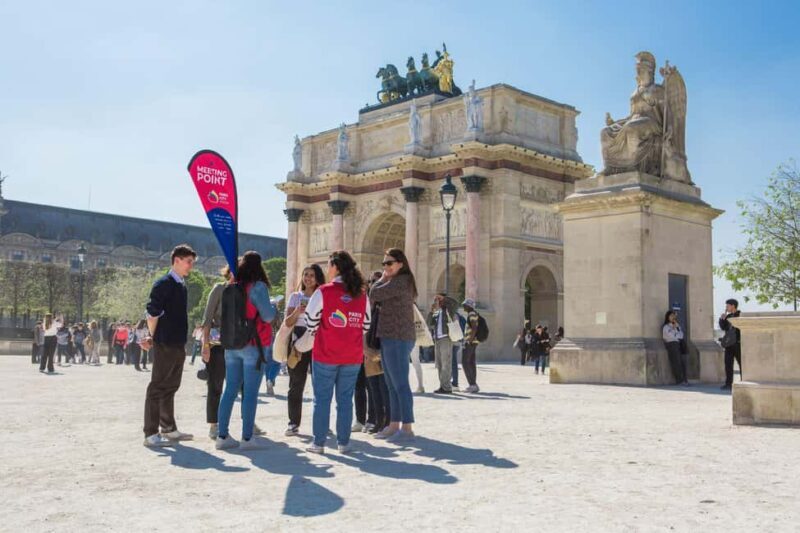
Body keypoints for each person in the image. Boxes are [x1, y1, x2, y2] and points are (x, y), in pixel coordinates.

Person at [303, 250, 371, 454]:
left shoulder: (324, 291)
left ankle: (319, 443)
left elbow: (309, 319)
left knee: (322, 399)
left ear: (336, 267)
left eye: (329, 265)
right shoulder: (361, 293)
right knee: (345, 399)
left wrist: (321, 329)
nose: (327, 269)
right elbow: (366, 324)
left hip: (326, 352)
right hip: (352, 354)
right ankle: (344, 443)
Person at [215, 251, 277, 451]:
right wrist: (274, 307)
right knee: (250, 393)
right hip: (253, 343)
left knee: (230, 390)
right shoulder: (258, 287)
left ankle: (222, 435)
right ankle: (247, 438)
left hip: (232, 344)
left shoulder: (231, 285)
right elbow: (267, 317)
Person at [140, 244, 197, 448]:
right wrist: (150, 336)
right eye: (189, 261)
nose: (191, 266)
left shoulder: (180, 284)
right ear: (177, 260)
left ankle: (168, 428)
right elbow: (152, 312)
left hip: (177, 342)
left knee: (171, 386)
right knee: (157, 386)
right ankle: (150, 433)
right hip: (164, 341)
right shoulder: (163, 283)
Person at [369, 248, 417, 442]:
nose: (385, 267)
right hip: (390, 336)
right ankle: (394, 424)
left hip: (398, 336)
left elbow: (373, 294)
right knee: (391, 384)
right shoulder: (396, 281)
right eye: (384, 264)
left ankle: (406, 427)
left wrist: (381, 279)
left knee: (400, 384)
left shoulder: (402, 281)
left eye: (389, 263)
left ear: (400, 264)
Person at [284, 264, 326, 437]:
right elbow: (287, 322)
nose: (308, 278)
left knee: (322, 384)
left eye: (312, 275)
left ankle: (322, 421)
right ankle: (293, 422)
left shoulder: (324, 296)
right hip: (298, 338)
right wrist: (297, 311)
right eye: (305, 275)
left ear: (317, 279)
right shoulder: (295, 297)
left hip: (318, 337)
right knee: (296, 384)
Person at [427, 293, 459, 394]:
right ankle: (442, 386)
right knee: (440, 364)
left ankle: (447, 387)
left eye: (439, 299)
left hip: (446, 338)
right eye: (437, 300)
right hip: (437, 340)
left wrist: (444, 298)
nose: (437, 301)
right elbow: (429, 324)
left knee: (446, 363)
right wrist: (431, 312)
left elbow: (455, 303)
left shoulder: (448, 310)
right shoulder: (437, 313)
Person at [719, 298, 742, 391]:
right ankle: (728, 383)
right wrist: (722, 319)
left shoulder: (740, 315)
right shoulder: (728, 317)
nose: (726, 307)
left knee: (741, 363)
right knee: (728, 364)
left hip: (737, 343)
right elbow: (723, 328)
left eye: (727, 305)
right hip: (729, 344)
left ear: (733, 306)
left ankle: (743, 381)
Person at [662, 310, 689, 386]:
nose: (673, 318)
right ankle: (679, 380)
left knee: (682, 362)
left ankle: (684, 379)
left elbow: (681, 335)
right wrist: (675, 331)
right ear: (668, 317)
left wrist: (676, 329)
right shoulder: (666, 327)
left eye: (674, 316)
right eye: (671, 316)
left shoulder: (677, 326)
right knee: (676, 363)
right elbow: (671, 336)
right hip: (672, 345)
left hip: (678, 345)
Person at [461, 299, 481, 392]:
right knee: (471, 362)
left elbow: (474, 328)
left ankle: (472, 384)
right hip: (474, 341)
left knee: (465, 362)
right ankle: (474, 384)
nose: (463, 306)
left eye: (465, 305)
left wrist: (469, 340)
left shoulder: (471, 314)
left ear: (469, 306)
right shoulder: (474, 313)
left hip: (470, 341)